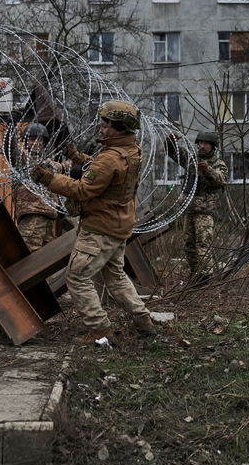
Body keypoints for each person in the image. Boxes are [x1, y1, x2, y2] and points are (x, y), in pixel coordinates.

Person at [30, 100, 156, 341]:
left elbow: (82, 189)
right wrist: (77, 157)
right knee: (116, 277)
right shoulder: (130, 151)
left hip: (100, 229)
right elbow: (101, 170)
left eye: (105, 125)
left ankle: (99, 329)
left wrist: (48, 179)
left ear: (118, 127)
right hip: (118, 226)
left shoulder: (110, 158)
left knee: (77, 276)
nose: (100, 128)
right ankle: (144, 321)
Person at [165, 130, 228, 281]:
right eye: (200, 143)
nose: (202, 146)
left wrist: (207, 170)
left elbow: (221, 181)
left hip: (205, 211)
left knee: (203, 245)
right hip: (190, 208)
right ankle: (196, 274)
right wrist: (170, 141)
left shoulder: (218, 164)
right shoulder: (192, 160)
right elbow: (175, 153)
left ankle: (206, 277)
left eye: (206, 144)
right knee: (189, 245)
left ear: (213, 146)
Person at [13, 122, 68, 252]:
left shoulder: (48, 164)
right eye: (32, 139)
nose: (37, 143)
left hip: (49, 217)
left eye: (40, 140)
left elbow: (65, 166)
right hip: (32, 214)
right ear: (26, 141)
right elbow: (11, 150)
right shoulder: (23, 159)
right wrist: (10, 131)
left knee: (47, 258)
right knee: (32, 255)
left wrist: (81, 157)